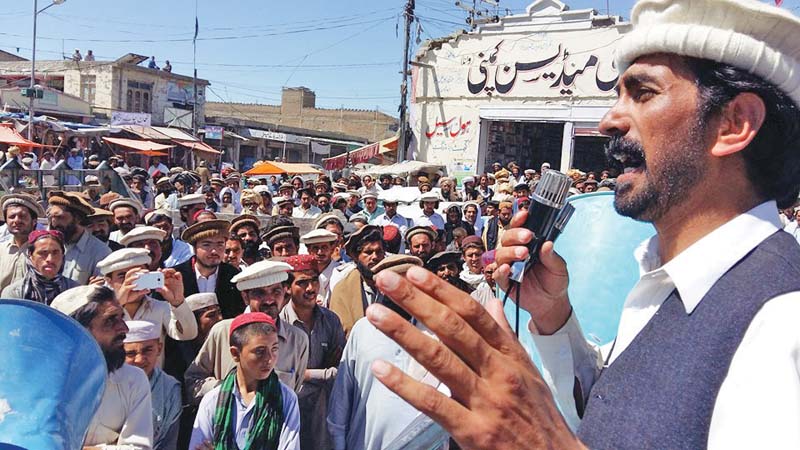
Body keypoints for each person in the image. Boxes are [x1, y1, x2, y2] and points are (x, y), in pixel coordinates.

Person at [358, 1, 800, 448]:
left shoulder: (783, 320)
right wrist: (554, 316)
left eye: (643, 93)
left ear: (734, 124)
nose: (608, 120)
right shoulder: (669, 281)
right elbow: (620, 417)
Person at [327, 255, 429, 450]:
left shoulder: (432, 332)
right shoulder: (363, 329)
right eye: (394, 285)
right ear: (381, 289)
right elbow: (342, 397)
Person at [184, 260, 309, 404]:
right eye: (259, 293)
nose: (269, 300)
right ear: (245, 297)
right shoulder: (222, 332)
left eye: (276, 291)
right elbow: (193, 383)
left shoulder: (298, 340)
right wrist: (228, 389)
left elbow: (294, 391)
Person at [50, 285, 153, 449]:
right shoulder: (43, 382)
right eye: (110, 320)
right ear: (78, 330)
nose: (124, 329)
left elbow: (139, 447)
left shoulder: (133, 380)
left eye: (121, 318)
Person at [189, 312, 301, 450]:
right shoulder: (213, 400)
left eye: (274, 349)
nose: (269, 359)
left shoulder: (286, 399)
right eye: (260, 351)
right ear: (235, 354)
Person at [280, 254, 345, 450]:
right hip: (288, 412)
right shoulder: (279, 323)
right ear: (287, 287)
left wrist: (305, 374)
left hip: (323, 410)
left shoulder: (331, 320)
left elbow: (341, 371)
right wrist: (323, 373)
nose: (310, 289)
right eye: (302, 282)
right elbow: (282, 377)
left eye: (314, 280)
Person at [98, 248, 198, 365]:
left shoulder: (160, 307)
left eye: (138, 276)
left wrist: (178, 301)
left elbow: (187, 334)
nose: (131, 282)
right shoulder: (99, 311)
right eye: (123, 276)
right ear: (109, 281)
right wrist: (119, 305)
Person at [123, 320, 182, 450]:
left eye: (147, 350)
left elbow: (168, 443)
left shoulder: (170, 388)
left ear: (159, 348)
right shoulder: (107, 384)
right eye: (131, 354)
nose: (139, 359)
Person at [175, 219, 243, 319]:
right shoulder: (178, 276)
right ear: (194, 248)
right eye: (206, 245)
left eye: (220, 244)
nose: (214, 251)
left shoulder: (234, 276)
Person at [329, 225, 386, 337]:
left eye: (379, 252)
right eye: (368, 252)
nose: (375, 257)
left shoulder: (393, 284)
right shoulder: (342, 290)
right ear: (356, 256)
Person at [47, 191, 112, 284]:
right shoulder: (46, 246)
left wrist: (90, 289)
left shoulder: (100, 252)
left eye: (60, 217)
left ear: (77, 218)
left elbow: (102, 291)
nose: (54, 223)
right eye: (52, 217)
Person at [1, 229, 78, 303]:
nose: (50, 259)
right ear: (30, 256)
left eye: (55, 253)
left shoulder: (76, 292)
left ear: (62, 256)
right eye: (43, 253)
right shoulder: (14, 294)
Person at [0, 194, 45, 292]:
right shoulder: (1, 250)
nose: (16, 220)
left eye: (22, 216)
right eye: (12, 217)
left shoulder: (44, 251)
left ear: (34, 221)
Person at [300, 229, 340, 307]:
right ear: (308, 250)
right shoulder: (303, 273)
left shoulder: (341, 272)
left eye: (324, 247)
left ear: (331, 249)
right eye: (315, 248)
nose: (320, 252)